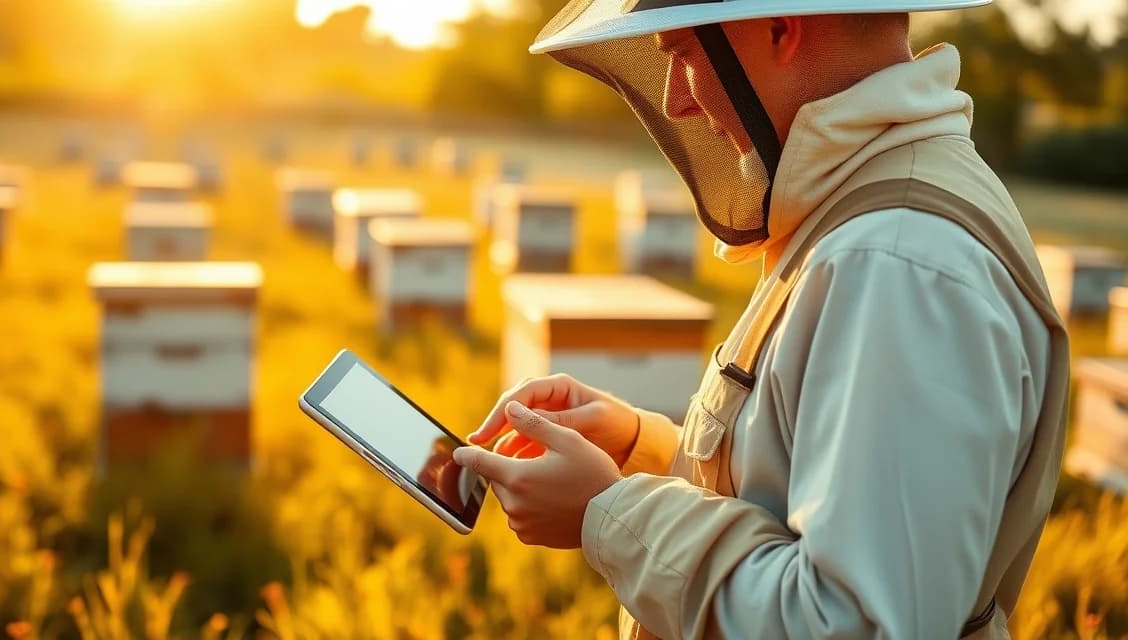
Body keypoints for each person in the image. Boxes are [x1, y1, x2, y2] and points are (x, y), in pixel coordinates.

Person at [452, 1, 1072, 639]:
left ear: (777, 28)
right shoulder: (866, 211)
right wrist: (642, 448)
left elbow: (850, 623)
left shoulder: (895, 262)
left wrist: (606, 512)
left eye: (682, 56)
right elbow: (806, 492)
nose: (675, 101)